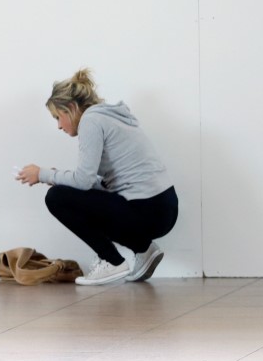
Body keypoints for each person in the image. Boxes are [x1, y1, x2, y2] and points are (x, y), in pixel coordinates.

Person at [15, 69, 178, 286]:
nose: (58, 126)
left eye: (58, 117)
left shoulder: (90, 121)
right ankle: (144, 249)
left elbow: (82, 181)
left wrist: (43, 173)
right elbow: (96, 184)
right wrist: (55, 177)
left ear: (71, 108)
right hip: (163, 207)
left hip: (147, 210)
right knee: (69, 193)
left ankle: (111, 260)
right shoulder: (108, 117)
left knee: (56, 198)